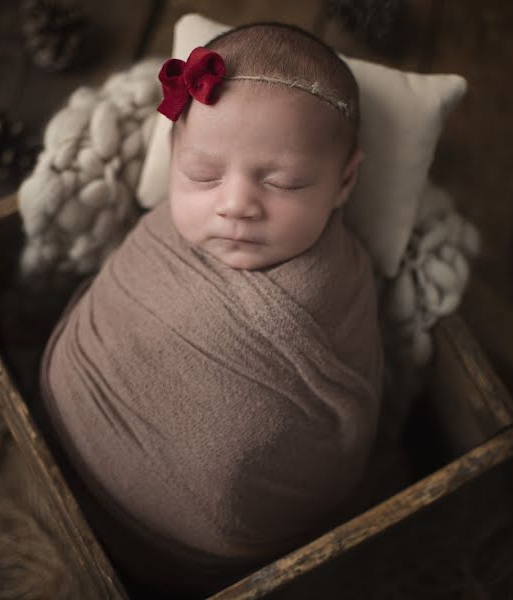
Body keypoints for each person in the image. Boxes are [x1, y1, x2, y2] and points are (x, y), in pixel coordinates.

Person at [41, 22, 385, 598]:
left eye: (283, 182)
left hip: (207, 548)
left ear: (344, 181)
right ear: (173, 158)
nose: (235, 206)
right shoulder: (160, 232)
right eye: (202, 176)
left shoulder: (340, 283)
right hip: (59, 448)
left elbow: (344, 420)